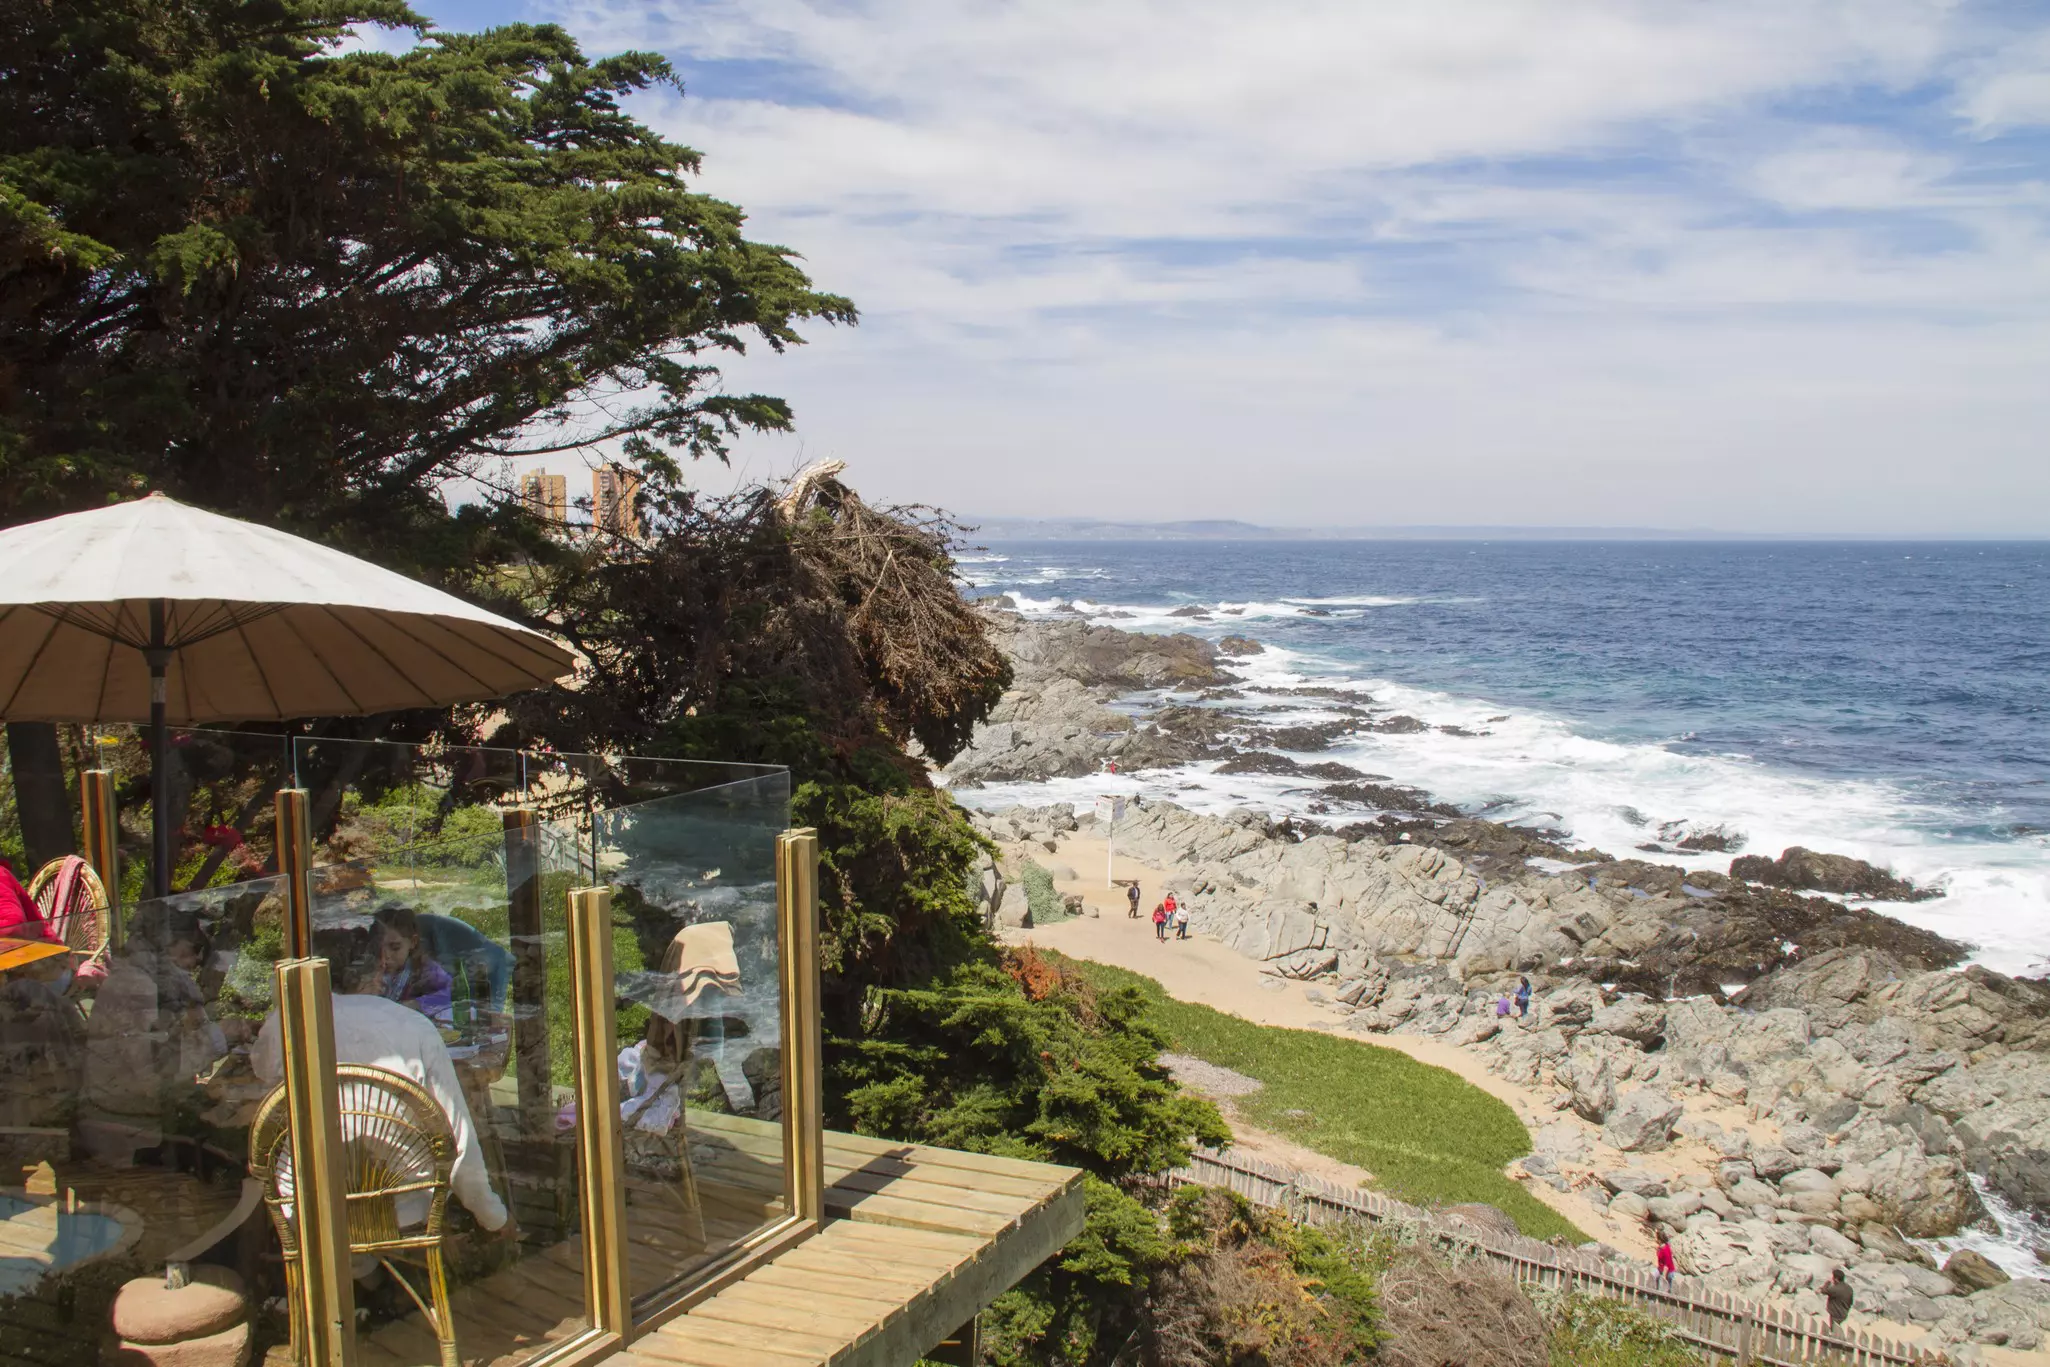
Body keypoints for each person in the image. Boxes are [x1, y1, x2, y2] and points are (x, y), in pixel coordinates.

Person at [252, 934, 508, 1234]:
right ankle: (371, 1268)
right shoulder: (414, 1027)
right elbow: (457, 1137)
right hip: (401, 1200)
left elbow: (264, 1073)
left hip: (307, 1202)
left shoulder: (288, 1022)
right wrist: (491, 1216)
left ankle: (356, 1271)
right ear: (380, 969)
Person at [369, 904, 454, 1020]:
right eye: (379, 948)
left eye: (395, 948)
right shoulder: (369, 971)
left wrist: (417, 1003)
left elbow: (452, 992)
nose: (385, 956)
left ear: (413, 942)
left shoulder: (424, 968)